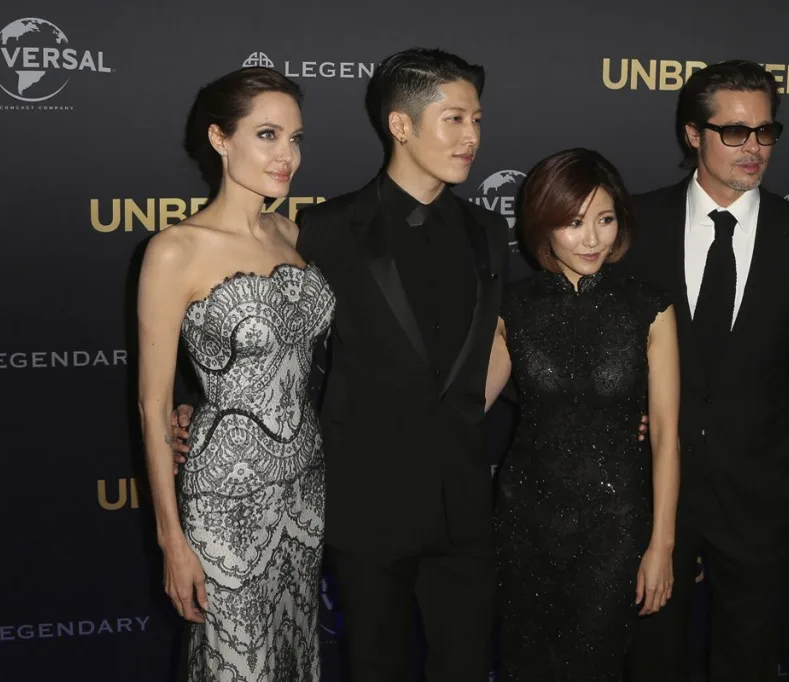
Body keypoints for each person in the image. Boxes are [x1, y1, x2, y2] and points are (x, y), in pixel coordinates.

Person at [172, 48, 508, 681]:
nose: (473, 137)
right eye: (456, 119)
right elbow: (264, 330)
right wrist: (194, 399)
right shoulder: (324, 229)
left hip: (463, 498)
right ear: (401, 125)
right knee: (372, 665)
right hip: (365, 501)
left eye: (478, 120)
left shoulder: (490, 231)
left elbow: (498, 340)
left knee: (465, 664)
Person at [624, 60, 789, 682]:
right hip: (653, 493)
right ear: (693, 134)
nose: (754, 149)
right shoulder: (635, 226)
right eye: (735, 132)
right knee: (650, 658)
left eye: (766, 132)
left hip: (760, 496)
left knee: (749, 658)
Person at [136, 67, 334, 681]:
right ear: (221, 140)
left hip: (304, 489)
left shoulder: (291, 233)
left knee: (294, 655)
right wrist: (172, 540)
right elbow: (152, 403)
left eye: (296, 138)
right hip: (225, 499)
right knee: (236, 667)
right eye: (269, 135)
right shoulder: (176, 250)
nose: (288, 156)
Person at [483, 148, 680, 681]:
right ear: (544, 225)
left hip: (614, 526)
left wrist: (661, 546)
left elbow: (665, 435)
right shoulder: (514, 309)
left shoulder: (649, 308)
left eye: (605, 219)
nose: (593, 238)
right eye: (573, 222)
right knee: (525, 663)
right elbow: (465, 406)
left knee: (594, 665)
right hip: (525, 521)